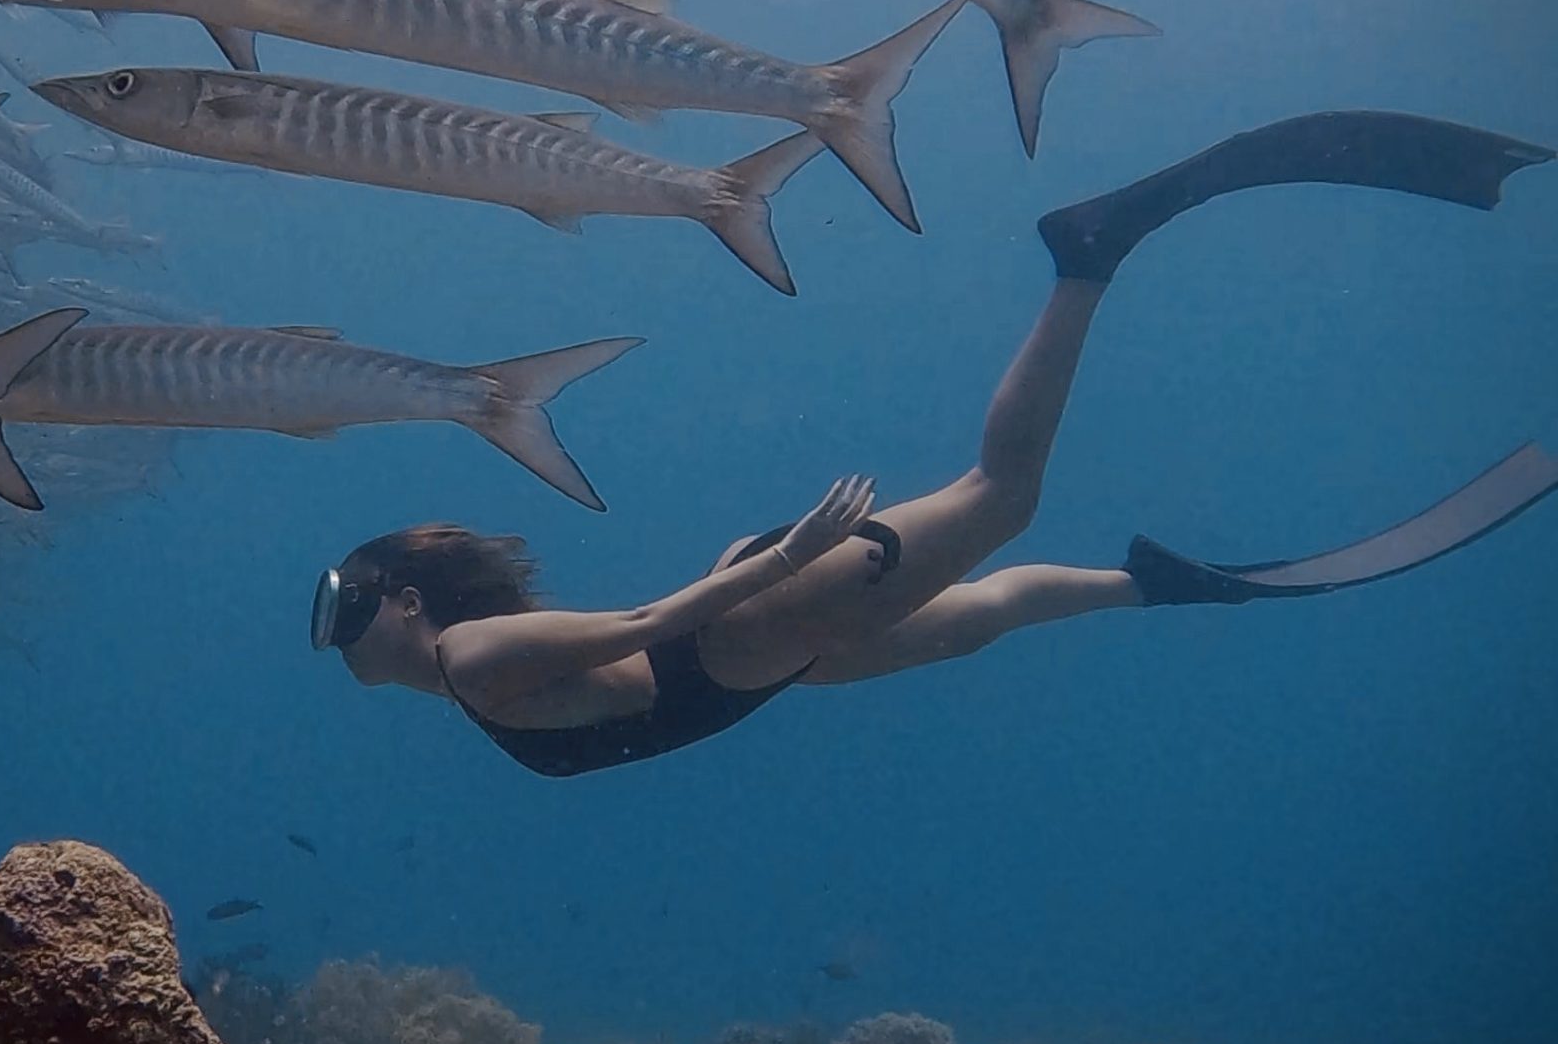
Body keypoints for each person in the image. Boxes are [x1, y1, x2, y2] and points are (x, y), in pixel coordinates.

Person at [309, 111, 1556, 777]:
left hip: (752, 619)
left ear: (403, 599)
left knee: (998, 497)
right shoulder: (459, 677)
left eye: (340, 606)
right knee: (980, 616)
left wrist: (787, 555)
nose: (334, 632)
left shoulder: (472, 654)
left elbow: (651, 624)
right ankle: (1155, 581)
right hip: (765, 653)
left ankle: (1089, 251)